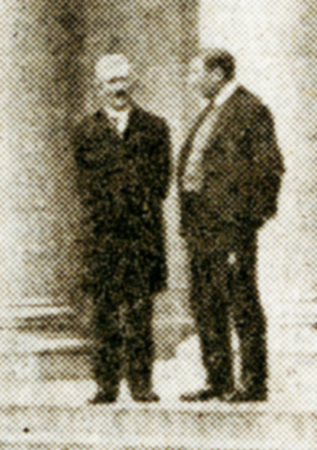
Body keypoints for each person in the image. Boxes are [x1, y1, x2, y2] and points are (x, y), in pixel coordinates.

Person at [174, 48, 283, 404]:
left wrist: (247, 220)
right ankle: (218, 380)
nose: (190, 80)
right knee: (206, 302)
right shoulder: (210, 111)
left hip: (231, 228)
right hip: (201, 228)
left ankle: (253, 382)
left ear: (217, 73)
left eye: (196, 72)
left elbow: (270, 169)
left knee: (241, 300)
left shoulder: (250, 109)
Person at [73, 56, 172, 406]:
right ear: (100, 87)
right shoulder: (85, 131)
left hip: (141, 234)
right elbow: (83, 185)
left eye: (124, 80)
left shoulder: (155, 127)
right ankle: (106, 385)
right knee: (103, 313)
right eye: (111, 81)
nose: (119, 87)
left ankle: (141, 384)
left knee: (139, 312)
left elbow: (161, 181)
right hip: (103, 237)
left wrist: (134, 206)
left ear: (134, 82)